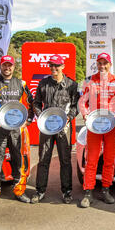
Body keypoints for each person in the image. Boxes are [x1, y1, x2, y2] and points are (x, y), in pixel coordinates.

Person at [0, 55, 34, 206]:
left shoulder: (21, 83)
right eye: (4, 65)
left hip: (17, 129)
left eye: (10, 65)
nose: (7, 68)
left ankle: (19, 190)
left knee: (18, 159)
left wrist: (28, 121)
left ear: (14, 67)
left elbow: (31, 104)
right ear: (0, 66)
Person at [31, 54, 80, 204]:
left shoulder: (72, 84)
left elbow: (75, 106)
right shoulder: (43, 83)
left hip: (64, 128)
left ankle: (67, 192)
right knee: (44, 159)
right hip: (46, 128)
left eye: (57, 65)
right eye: (51, 65)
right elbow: (36, 103)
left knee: (65, 160)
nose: (54, 68)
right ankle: (40, 191)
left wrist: (69, 118)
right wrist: (41, 117)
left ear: (62, 66)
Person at [78, 52, 115, 208]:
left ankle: (106, 189)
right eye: (100, 63)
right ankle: (88, 192)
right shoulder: (89, 81)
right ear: (96, 64)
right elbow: (82, 102)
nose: (102, 66)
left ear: (110, 64)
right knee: (91, 159)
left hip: (112, 125)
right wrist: (85, 115)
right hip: (95, 125)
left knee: (110, 159)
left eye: (105, 63)